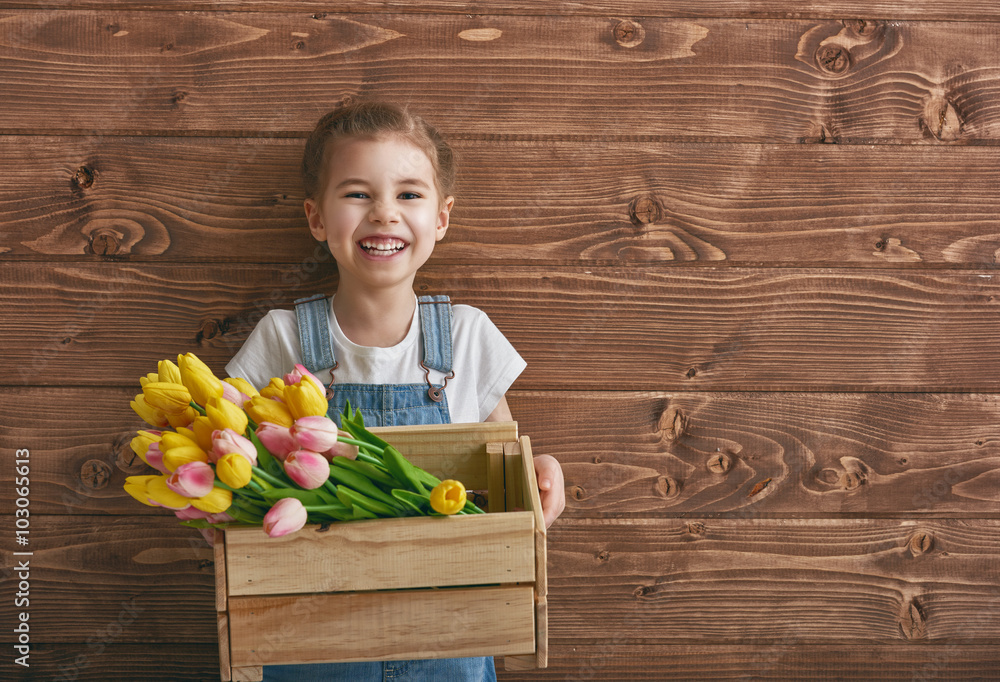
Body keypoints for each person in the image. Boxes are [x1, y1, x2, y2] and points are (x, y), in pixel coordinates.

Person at [225, 100, 566, 681]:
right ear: (316, 217)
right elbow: (232, 456)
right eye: (357, 194)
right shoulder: (281, 340)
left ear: (442, 216)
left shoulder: (466, 335)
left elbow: (504, 466)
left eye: (409, 194)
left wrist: (541, 477)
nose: (384, 214)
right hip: (312, 634)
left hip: (450, 628)